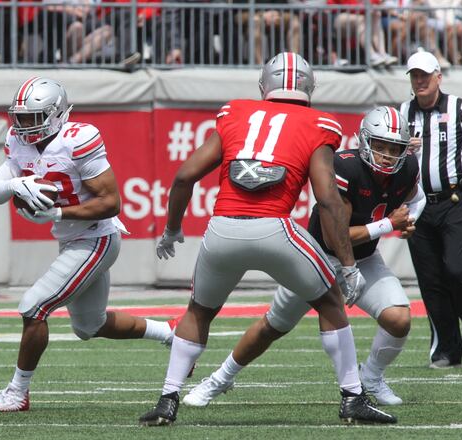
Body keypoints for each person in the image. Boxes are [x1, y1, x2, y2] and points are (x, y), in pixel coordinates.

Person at [138, 52, 396, 427]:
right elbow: (326, 199)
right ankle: (353, 398)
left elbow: (183, 177)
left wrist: (172, 228)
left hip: (223, 227)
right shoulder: (319, 123)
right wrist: (349, 265)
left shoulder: (235, 113)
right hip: (275, 227)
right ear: (310, 86)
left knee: (199, 312)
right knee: (329, 301)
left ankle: (167, 399)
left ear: (264, 85)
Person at [183, 106, 424, 408]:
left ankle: (371, 377)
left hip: (363, 258)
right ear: (364, 142)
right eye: (380, 146)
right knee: (272, 327)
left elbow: (417, 198)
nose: (387, 155)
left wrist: (411, 219)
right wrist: (391, 224)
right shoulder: (346, 167)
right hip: (317, 259)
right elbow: (337, 237)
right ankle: (219, 379)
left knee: (399, 319)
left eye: (394, 148)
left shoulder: (408, 168)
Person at [0, 77, 178, 412]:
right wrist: (16, 183)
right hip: (73, 240)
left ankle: (17, 393)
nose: (24, 125)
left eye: (33, 118)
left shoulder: (78, 139)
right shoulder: (17, 139)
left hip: (96, 237)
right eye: (20, 118)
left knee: (33, 307)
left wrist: (57, 212)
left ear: (56, 114)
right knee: (90, 326)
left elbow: (111, 202)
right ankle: (172, 335)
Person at [400, 51, 462, 369]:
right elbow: (396, 161)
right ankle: (446, 349)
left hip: (455, 200)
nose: (420, 80)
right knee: (431, 279)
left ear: (439, 76)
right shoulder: (404, 112)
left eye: (425, 74)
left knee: (457, 268)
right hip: (419, 204)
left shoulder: (459, 108)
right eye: (414, 75)